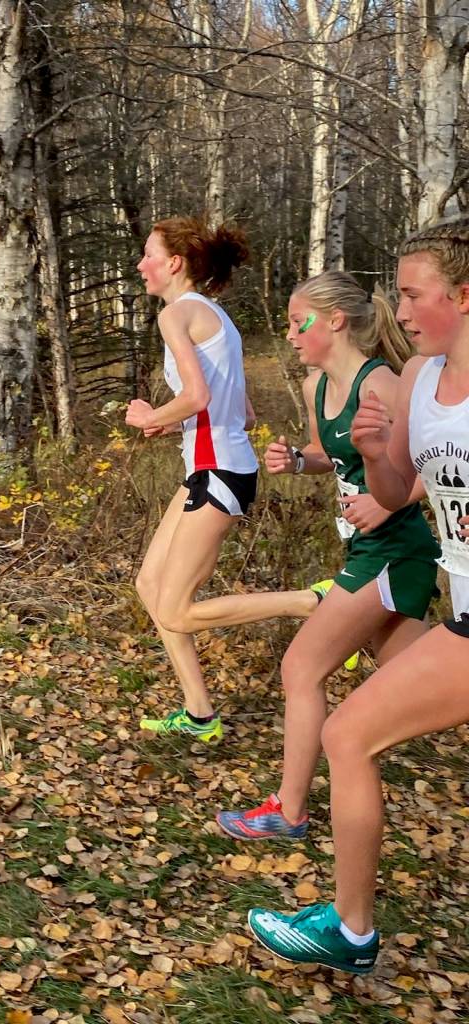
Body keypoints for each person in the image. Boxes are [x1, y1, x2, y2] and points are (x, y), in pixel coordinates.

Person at [247, 216, 469, 975]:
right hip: (461, 609)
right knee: (357, 726)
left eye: (413, 296)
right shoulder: (415, 383)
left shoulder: (388, 374)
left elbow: (399, 505)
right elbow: (397, 484)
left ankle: (345, 918)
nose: (400, 315)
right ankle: (350, 929)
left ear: (464, 295)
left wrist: (388, 500)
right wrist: (373, 459)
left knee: (333, 713)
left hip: (400, 564)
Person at [215, 270, 440, 840]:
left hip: (394, 549)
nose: (290, 334)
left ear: (334, 321)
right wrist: (299, 461)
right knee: (418, 678)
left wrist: (386, 505)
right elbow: (327, 454)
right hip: (367, 546)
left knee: (301, 666)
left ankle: (288, 812)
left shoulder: (381, 384)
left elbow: (431, 466)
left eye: (298, 322)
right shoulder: (319, 387)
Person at [125, 218, 344, 744]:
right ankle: (200, 713)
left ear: (174, 262)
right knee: (150, 587)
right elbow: (240, 413)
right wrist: (174, 423)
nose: (141, 265)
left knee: (176, 609)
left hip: (218, 471)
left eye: (148, 255)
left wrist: (151, 415)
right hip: (216, 467)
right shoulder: (216, 316)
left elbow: (198, 398)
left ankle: (314, 602)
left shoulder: (176, 315)